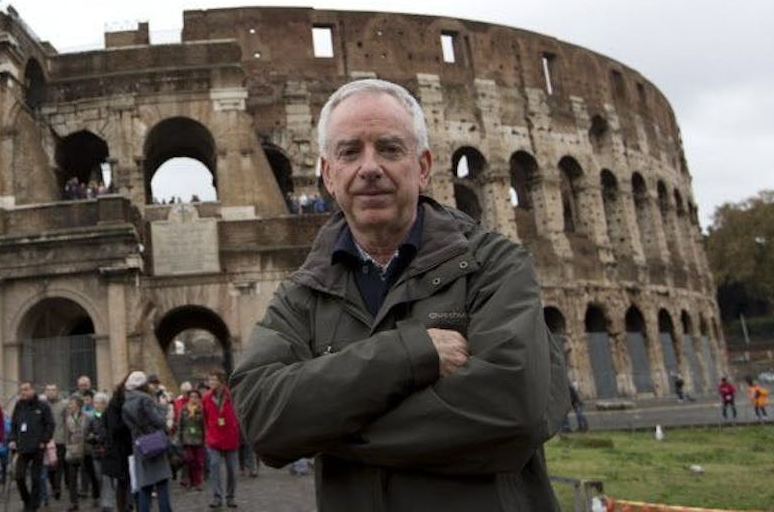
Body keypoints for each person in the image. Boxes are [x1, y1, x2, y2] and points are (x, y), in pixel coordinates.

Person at [232, 78, 569, 511]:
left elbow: (511, 413)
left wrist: (325, 429)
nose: (369, 167)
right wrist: (411, 354)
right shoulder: (304, 292)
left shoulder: (495, 265)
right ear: (328, 174)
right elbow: (262, 418)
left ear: (424, 165)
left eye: (389, 149)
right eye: (350, 152)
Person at [123, 371, 173, 512]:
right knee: (162, 482)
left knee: (145, 485)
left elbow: (129, 426)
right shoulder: (145, 399)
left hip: (139, 445)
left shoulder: (126, 402)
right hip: (154, 442)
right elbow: (158, 421)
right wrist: (163, 408)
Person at [12, 381, 56, 510]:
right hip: (22, 447)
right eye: (22, 390)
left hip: (38, 447)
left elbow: (50, 424)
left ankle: (33, 506)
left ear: (33, 390)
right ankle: (27, 500)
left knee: (36, 479)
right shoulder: (19, 405)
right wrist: (12, 439)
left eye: (26, 389)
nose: (23, 392)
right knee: (19, 476)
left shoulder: (42, 406)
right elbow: (14, 424)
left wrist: (44, 440)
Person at [200, 370, 240, 508]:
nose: (211, 383)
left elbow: (239, 412)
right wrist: (207, 433)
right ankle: (217, 497)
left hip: (230, 437)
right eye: (210, 380)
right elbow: (204, 417)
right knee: (214, 466)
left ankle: (230, 496)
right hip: (214, 438)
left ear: (221, 381)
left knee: (232, 470)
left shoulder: (232, 395)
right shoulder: (206, 398)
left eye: (214, 380)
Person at [103, 379, 134, 512]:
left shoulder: (116, 405)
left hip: (126, 447)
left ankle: (128, 504)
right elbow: (113, 427)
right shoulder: (115, 406)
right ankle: (124, 507)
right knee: (123, 480)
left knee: (128, 480)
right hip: (119, 449)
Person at [176, 389, 206, 491]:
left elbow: (205, 425)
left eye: (196, 397)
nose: (193, 399)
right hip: (187, 439)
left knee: (198, 462)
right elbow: (180, 424)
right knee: (189, 460)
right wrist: (179, 438)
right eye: (192, 396)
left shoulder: (202, 409)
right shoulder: (184, 409)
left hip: (199, 439)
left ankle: (197, 482)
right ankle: (188, 480)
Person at [64, 394, 90, 511]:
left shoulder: (87, 417)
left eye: (72, 404)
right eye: (70, 404)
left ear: (78, 405)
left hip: (85, 449)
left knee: (88, 473)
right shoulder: (68, 418)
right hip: (73, 450)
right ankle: (73, 502)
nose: (70, 406)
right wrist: (68, 446)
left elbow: (89, 430)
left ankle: (89, 492)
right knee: (72, 476)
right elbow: (67, 434)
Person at [46, 384, 70, 502]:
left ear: (57, 392)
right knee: (50, 467)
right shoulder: (44, 405)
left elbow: (67, 422)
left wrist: (67, 439)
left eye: (53, 390)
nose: (51, 393)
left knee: (58, 465)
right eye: (48, 390)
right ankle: (54, 485)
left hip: (60, 440)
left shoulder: (63, 405)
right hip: (47, 440)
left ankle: (57, 488)